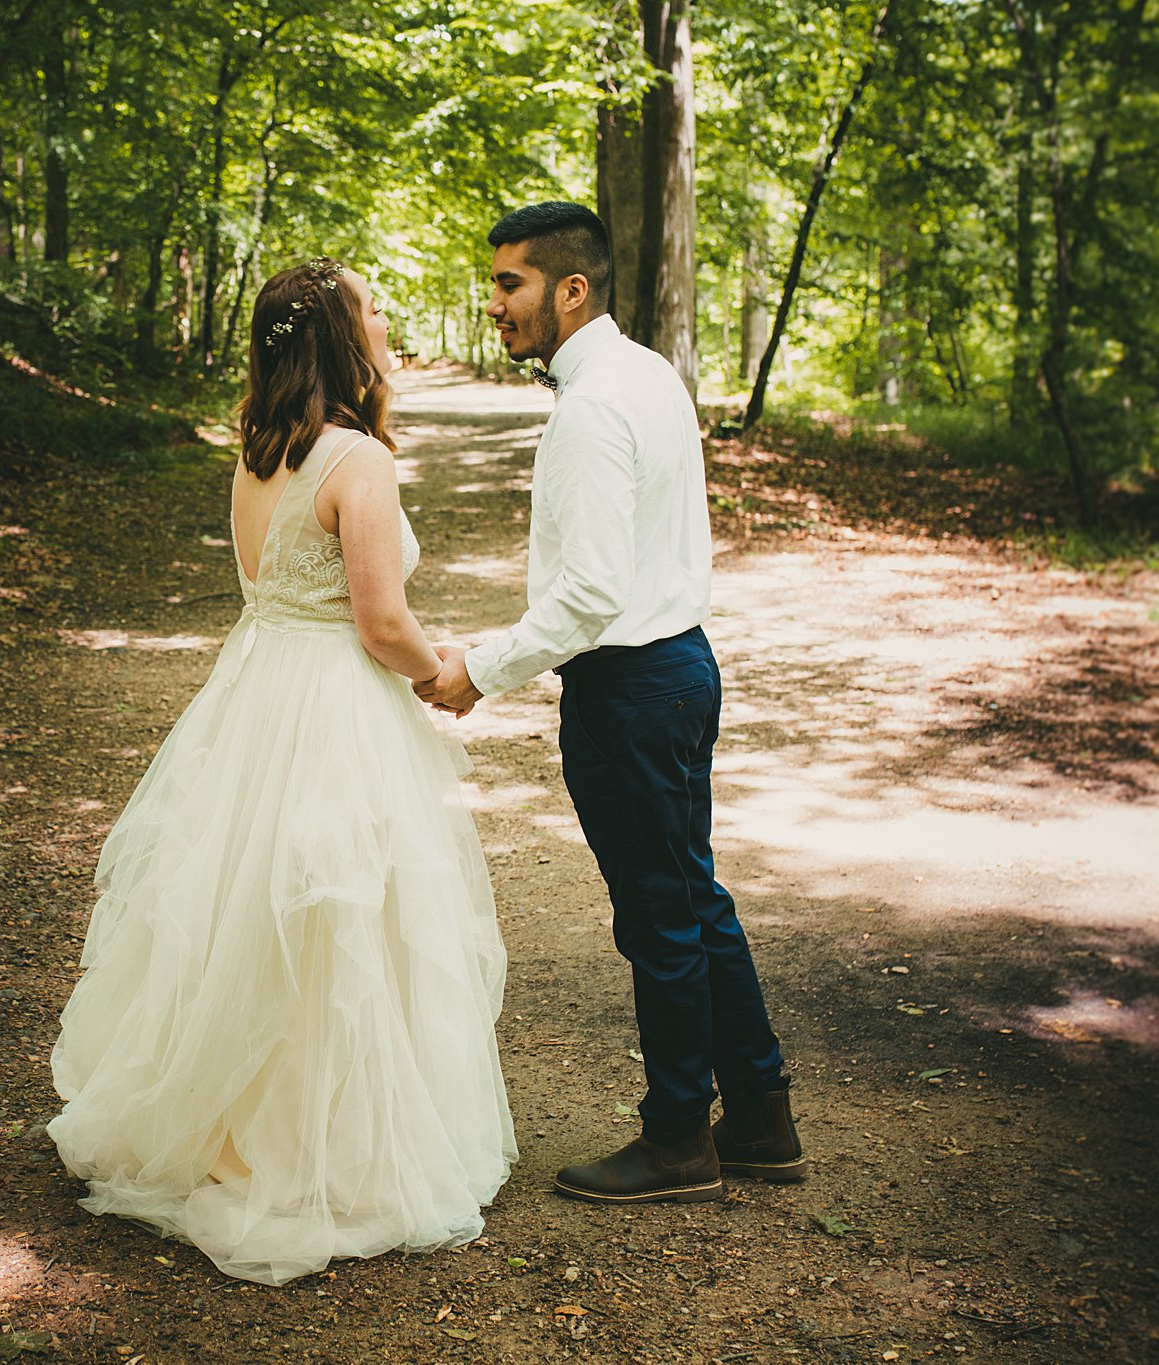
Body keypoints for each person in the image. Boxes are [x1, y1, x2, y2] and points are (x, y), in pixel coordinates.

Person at [47, 258, 518, 1284]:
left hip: (256, 689)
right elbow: (378, 620)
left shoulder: (256, 451)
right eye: (374, 309)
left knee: (246, 903)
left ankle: (225, 1126)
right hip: (334, 703)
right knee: (338, 915)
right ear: (343, 339)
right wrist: (446, 671)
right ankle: (323, 1147)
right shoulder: (357, 460)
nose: (388, 321)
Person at [415, 202, 808, 1203]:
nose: (493, 301)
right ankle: (758, 1115)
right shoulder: (644, 374)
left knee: (660, 921)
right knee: (691, 900)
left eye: (510, 283)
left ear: (569, 288)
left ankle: (678, 1138)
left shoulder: (591, 407)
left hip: (630, 689)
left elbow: (589, 593)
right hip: (677, 669)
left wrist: (483, 669)